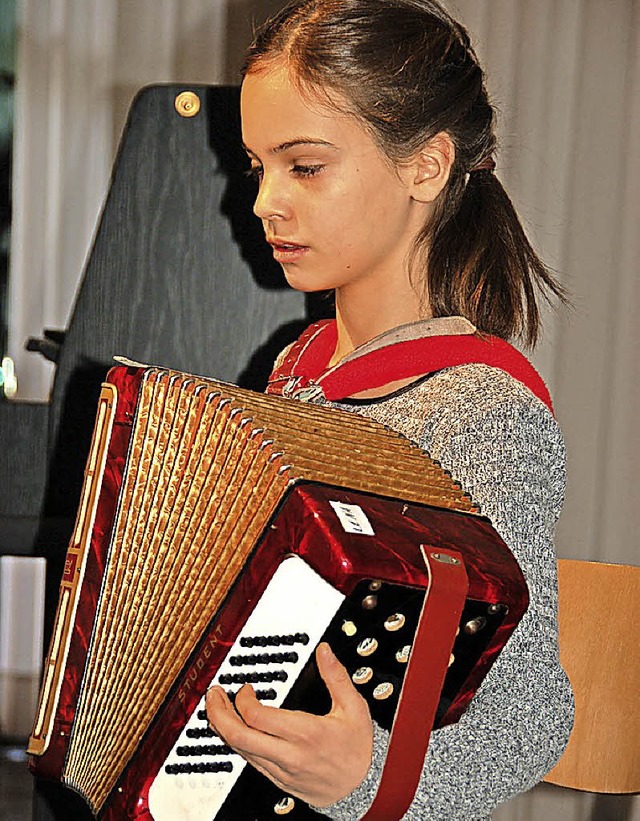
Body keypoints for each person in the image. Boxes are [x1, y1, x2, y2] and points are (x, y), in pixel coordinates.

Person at [206, 1, 574, 818]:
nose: (265, 200)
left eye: (304, 166)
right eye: (255, 166)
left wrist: (365, 773)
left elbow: (530, 719)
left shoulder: (479, 411)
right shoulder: (294, 371)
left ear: (426, 166)